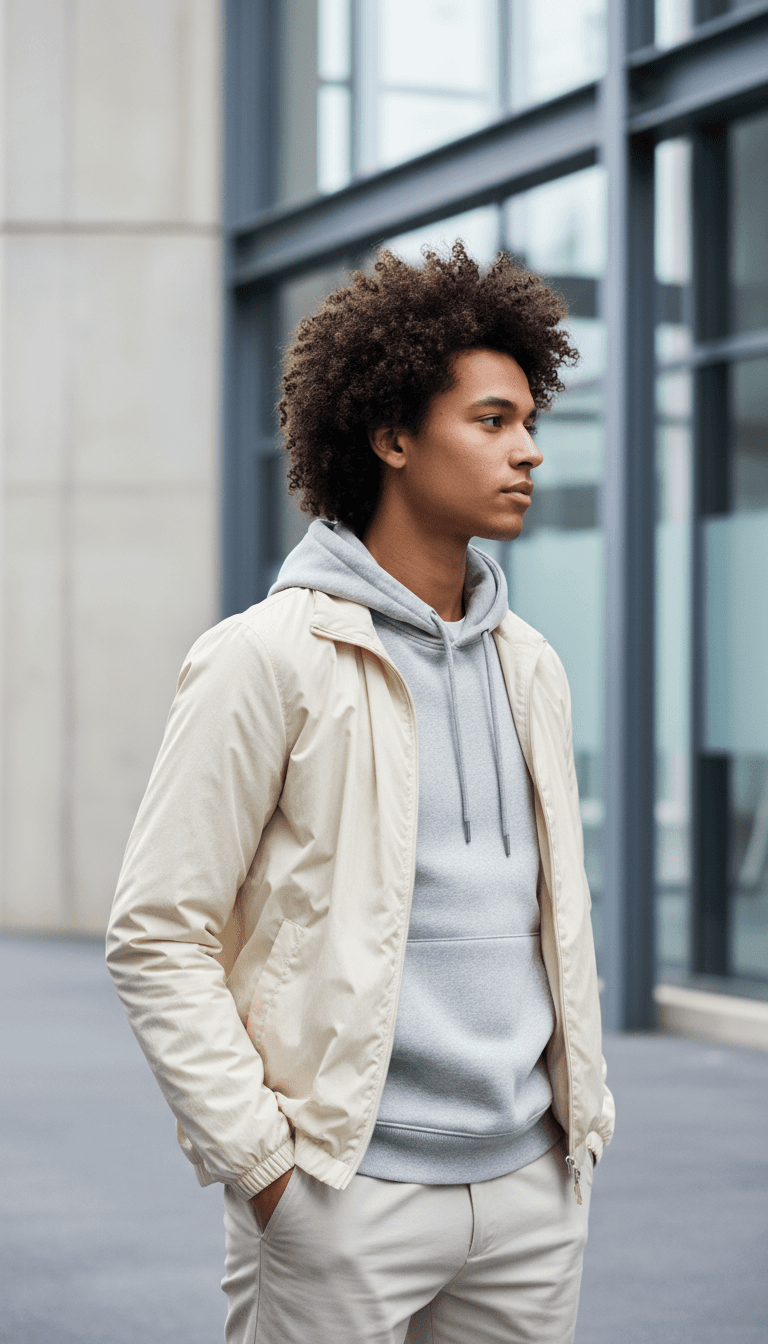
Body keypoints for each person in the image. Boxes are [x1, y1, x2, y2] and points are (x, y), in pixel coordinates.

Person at [106, 242, 614, 1344]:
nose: (528, 451)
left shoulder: (532, 666)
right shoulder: (264, 659)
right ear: (390, 436)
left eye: (531, 421)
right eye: (492, 421)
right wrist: (266, 1173)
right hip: (344, 1196)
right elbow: (156, 931)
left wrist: (577, 1138)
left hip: (530, 1192)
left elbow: (549, 922)